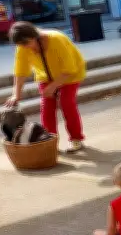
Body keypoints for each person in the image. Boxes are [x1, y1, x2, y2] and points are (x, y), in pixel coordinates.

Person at [5, 22, 86, 153]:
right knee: (47, 107)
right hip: (45, 76)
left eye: (26, 44)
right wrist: (16, 94)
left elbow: (70, 69)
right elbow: (20, 72)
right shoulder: (23, 46)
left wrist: (54, 86)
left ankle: (76, 139)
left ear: (34, 36)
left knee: (67, 104)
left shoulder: (57, 39)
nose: (26, 48)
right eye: (21, 45)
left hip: (70, 74)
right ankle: (49, 140)